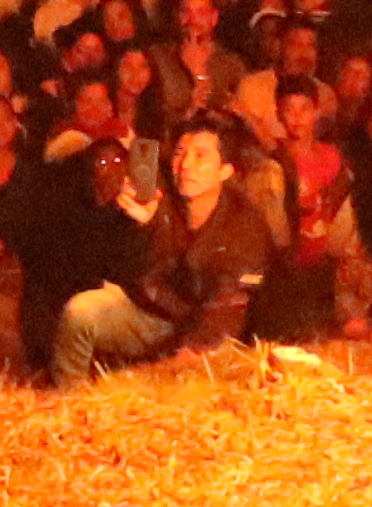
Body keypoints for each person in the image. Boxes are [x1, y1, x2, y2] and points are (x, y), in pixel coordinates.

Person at [51, 128, 276, 385]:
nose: (186, 165)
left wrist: (190, 350)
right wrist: (139, 226)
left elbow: (230, 302)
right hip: (155, 314)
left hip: (211, 327)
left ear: (225, 171)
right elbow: (126, 271)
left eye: (200, 156)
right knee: (81, 312)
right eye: (181, 153)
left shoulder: (245, 222)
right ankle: (69, 399)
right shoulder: (158, 198)